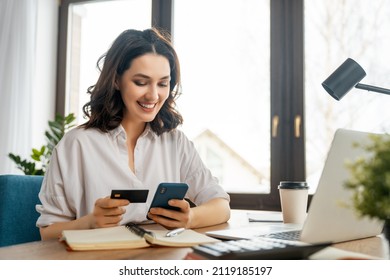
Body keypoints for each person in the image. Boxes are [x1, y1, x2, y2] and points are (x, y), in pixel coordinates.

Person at [36, 28, 230, 240]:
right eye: (141, 82)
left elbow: (221, 206)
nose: (153, 95)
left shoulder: (176, 142)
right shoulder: (77, 144)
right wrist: (90, 222)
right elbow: (48, 232)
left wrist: (190, 217)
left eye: (163, 83)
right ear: (116, 80)